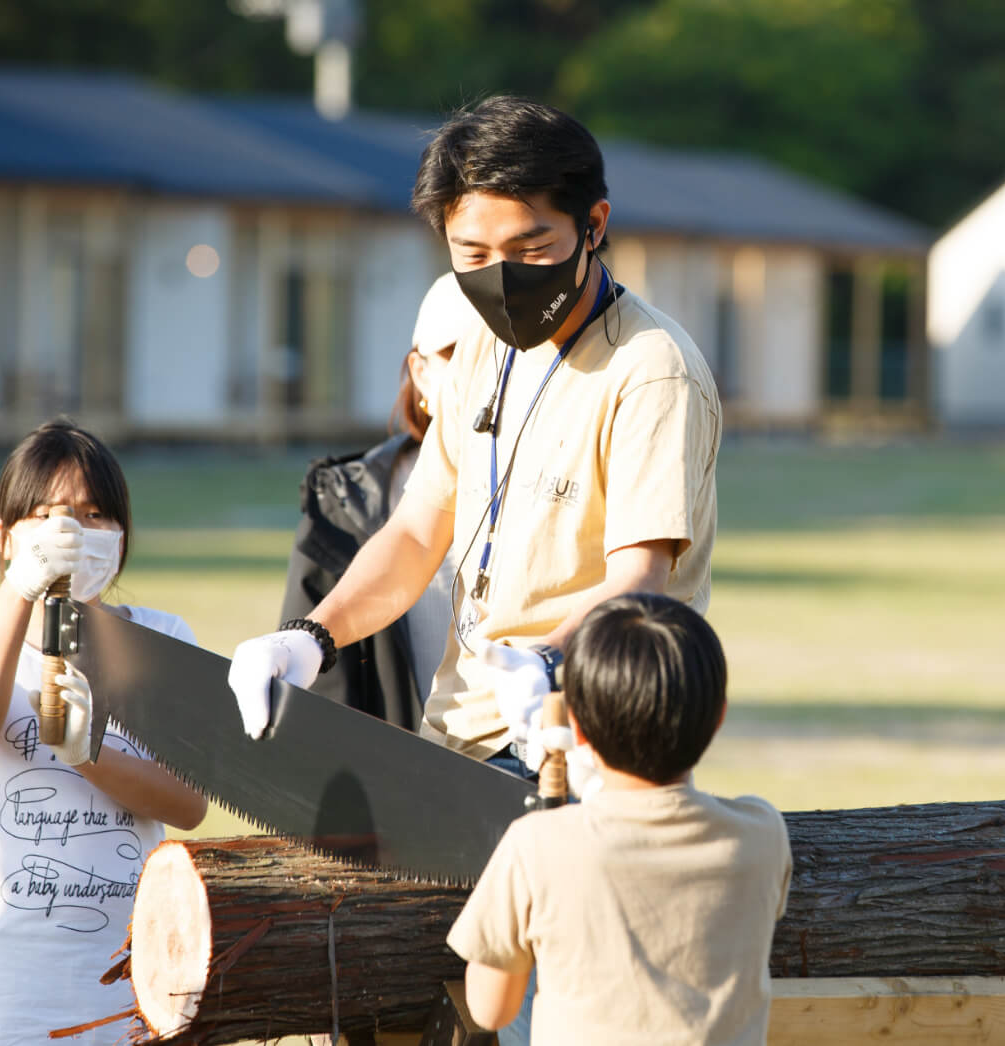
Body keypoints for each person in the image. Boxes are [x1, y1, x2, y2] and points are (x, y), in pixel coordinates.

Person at [229, 95, 722, 779]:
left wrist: (546, 661)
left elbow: (641, 579)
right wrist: (307, 638)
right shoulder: (483, 344)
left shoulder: (650, 368)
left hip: (580, 747)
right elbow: (414, 534)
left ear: (594, 224)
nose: (502, 276)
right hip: (457, 738)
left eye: (532, 247)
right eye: (473, 252)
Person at [0, 418, 208, 1045]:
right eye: (47, 515)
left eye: (95, 515)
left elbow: (190, 803)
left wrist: (86, 753)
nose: (71, 533)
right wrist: (20, 591)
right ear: (5, 535)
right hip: (4, 977)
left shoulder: (162, 637)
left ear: (122, 537)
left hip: (132, 969)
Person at [448, 593, 793, 1045]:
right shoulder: (763, 832)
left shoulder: (536, 845)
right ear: (718, 719)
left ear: (578, 728)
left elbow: (491, 1008)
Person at [278, 272, 474, 728]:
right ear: (420, 372)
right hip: (400, 781)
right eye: (457, 354)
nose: (478, 374)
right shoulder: (345, 502)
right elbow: (321, 703)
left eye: (500, 355)